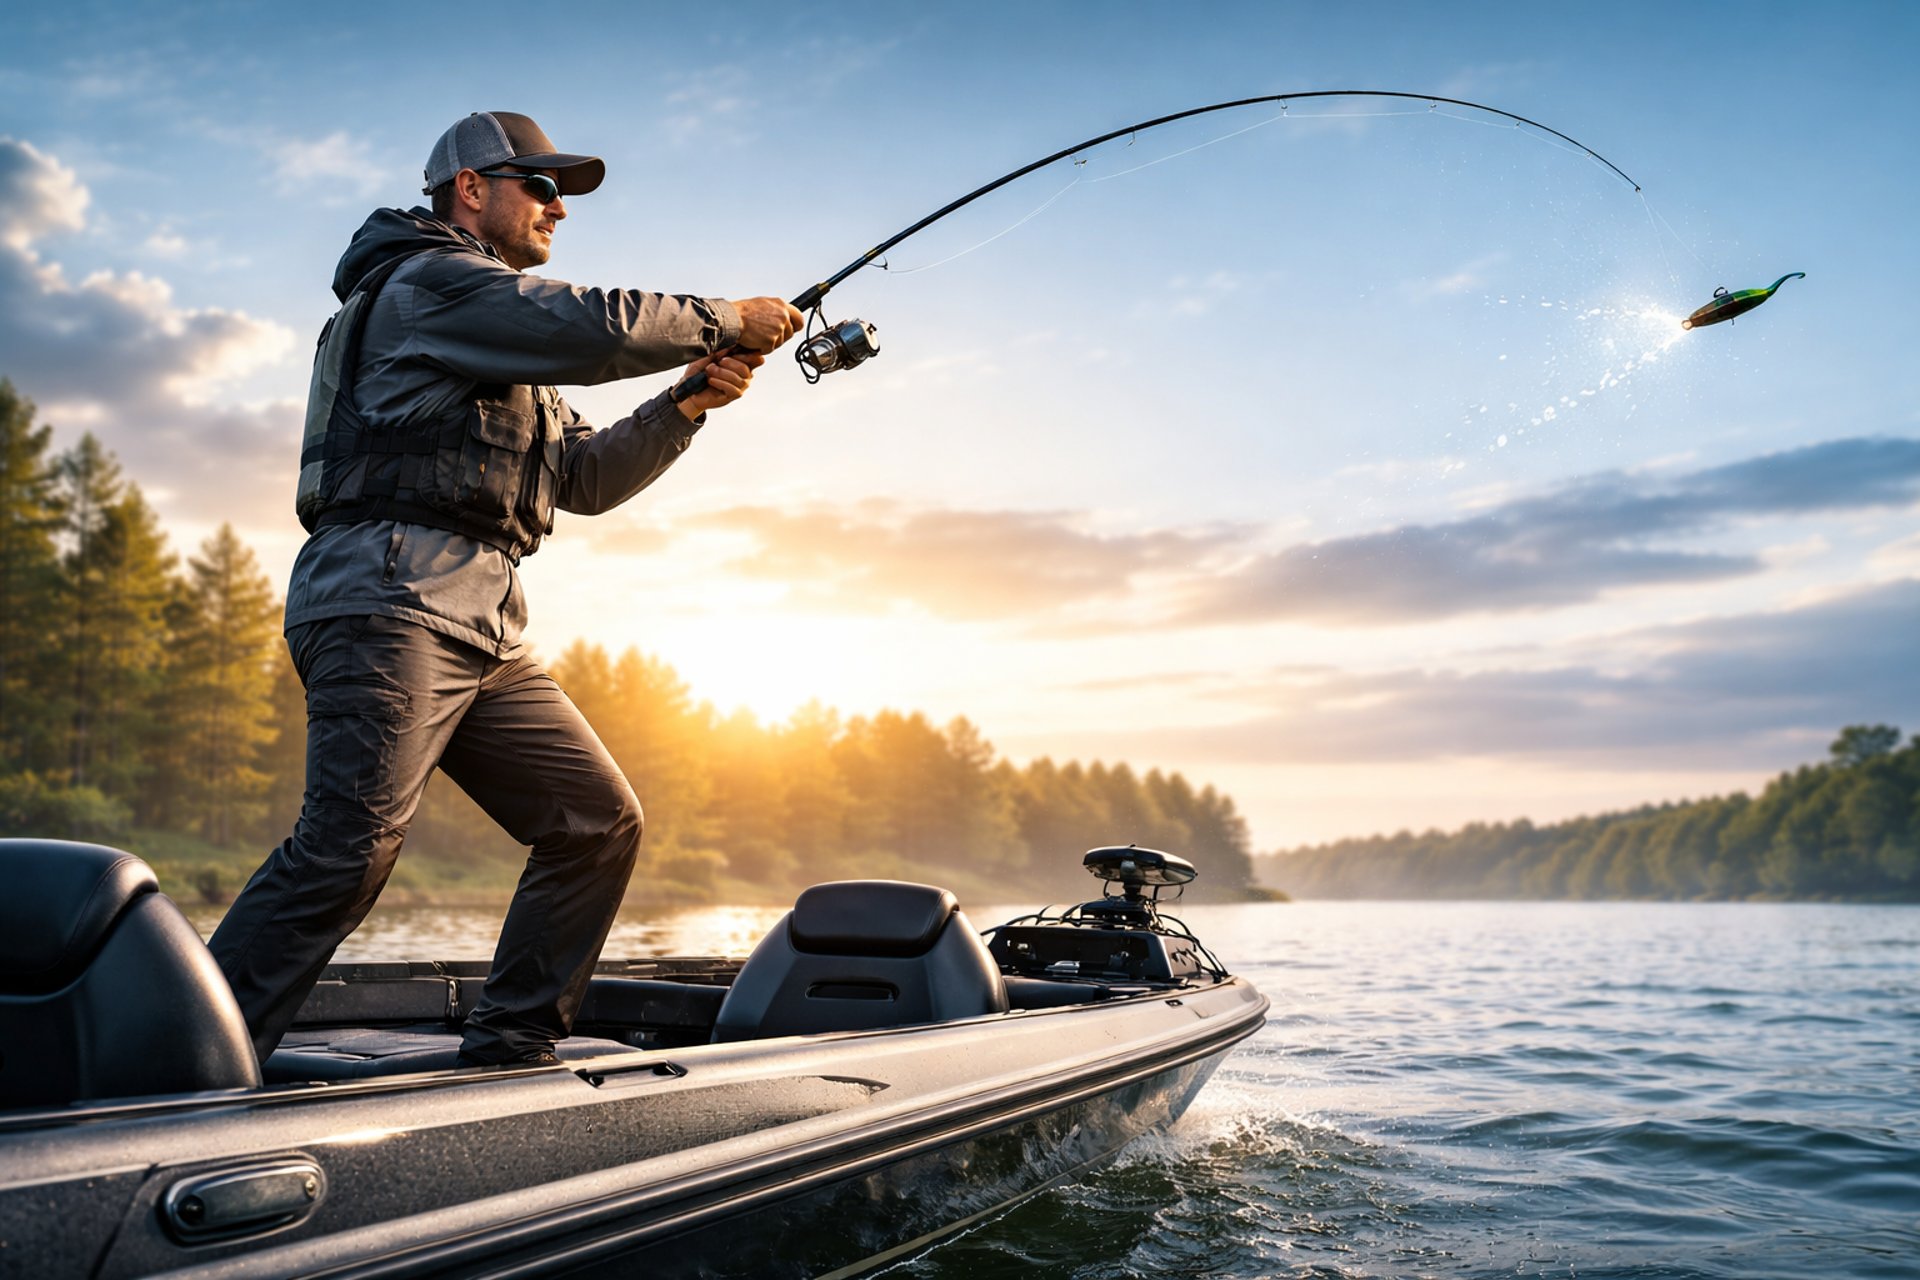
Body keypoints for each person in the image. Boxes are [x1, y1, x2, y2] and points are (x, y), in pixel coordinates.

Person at [208, 111, 804, 1068]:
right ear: (470, 189)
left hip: (482, 623)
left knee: (594, 821)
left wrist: (684, 401)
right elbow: (585, 325)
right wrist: (729, 317)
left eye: (561, 190)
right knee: (347, 848)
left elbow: (585, 480)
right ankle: (169, 1066)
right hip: (386, 597)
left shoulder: (501, 342)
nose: (558, 205)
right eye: (538, 183)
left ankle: (511, 1049)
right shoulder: (430, 285)